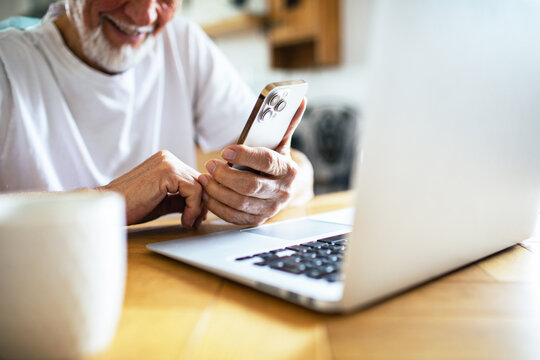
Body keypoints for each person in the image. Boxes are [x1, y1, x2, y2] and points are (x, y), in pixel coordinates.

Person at [0, 0, 314, 227]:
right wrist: (108, 201)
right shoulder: (7, 64)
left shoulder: (183, 43)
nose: (145, 14)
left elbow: (298, 169)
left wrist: (279, 189)